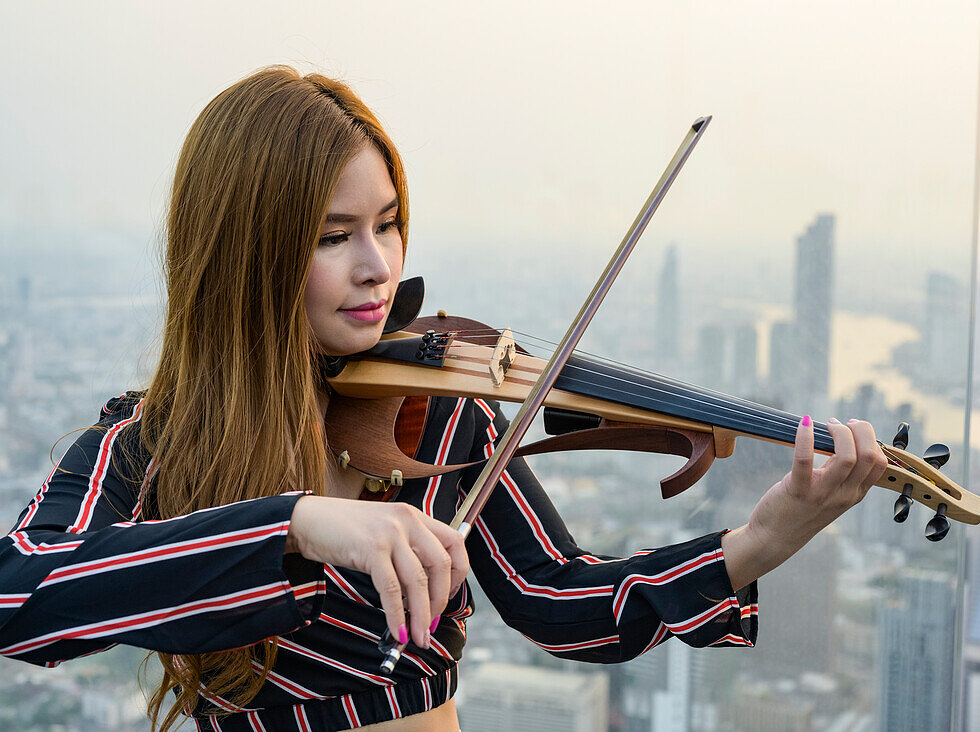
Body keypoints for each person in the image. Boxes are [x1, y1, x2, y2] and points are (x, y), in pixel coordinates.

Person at [0, 66, 886, 732]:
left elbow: (561, 601)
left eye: (387, 223)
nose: (378, 264)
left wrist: (764, 539)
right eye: (333, 236)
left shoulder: (440, 413)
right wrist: (298, 524)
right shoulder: (149, 440)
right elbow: (19, 594)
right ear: (247, 252)